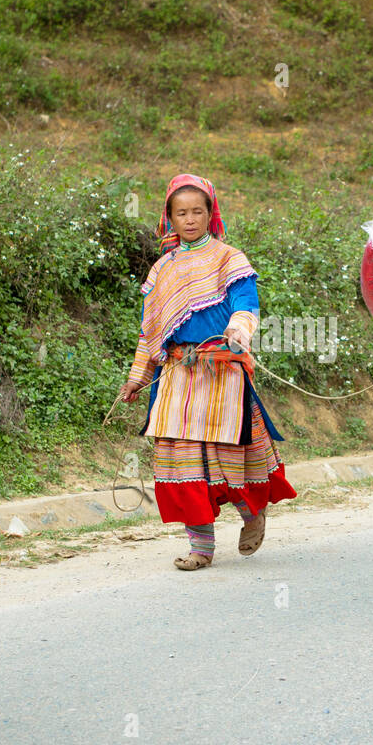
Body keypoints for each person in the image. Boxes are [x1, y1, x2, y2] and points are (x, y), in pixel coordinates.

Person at [118, 174, 296, 570]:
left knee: (225, 458)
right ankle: (201, 548)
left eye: (198, 211)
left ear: (210, 213)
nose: (190, 219)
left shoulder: (228, 258)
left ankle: (251, 514)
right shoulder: (161, 271)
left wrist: (238, 329)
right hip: (178, 374)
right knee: (182, 462)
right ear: (169, 218)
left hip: (221, 371)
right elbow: (150, 331)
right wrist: (137, 376)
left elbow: (246, 303)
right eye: (181, 212)